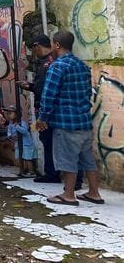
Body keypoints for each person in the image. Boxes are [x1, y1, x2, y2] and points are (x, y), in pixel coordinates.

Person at [37, 31, 105, 206]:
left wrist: (42, 118)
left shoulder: (57, 66)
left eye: (52, 43)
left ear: (57, 45)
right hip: (84, 121)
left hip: (65, 122)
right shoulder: (82, 66)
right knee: (87, 159)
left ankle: (68, 194)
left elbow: (49, 95)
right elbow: (87, 92)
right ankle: (94, 193)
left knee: (67, 160)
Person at [18, 34, 62, 184]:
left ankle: (52, 173)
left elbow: (45, 91)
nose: (33, 52)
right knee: (51, 142)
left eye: (33, 48)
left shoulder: (48, 63)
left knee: (49, 142)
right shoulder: (52, 61)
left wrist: (43, 116)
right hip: (51, 109)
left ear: (37, 46)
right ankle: (53, 173)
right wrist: (30, 86)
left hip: (46, 110)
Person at [5, 106, 38, 178]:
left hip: (26, 143)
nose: (8, 114)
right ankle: (23, 170)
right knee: (20, 157)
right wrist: (10, 136)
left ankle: (31, 171)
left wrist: (17, 127)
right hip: (18, 144)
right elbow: (9, 133)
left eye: (10, 113)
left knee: (27, 158)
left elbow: (25, 131)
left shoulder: (21, 123)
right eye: (8, 113)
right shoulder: (10, 125)